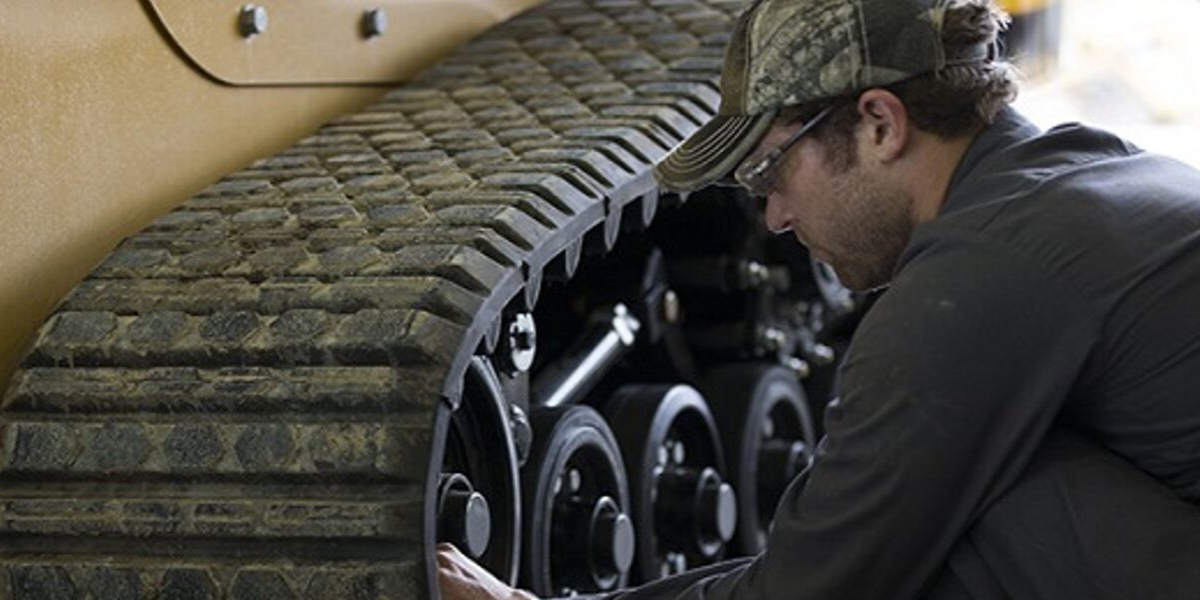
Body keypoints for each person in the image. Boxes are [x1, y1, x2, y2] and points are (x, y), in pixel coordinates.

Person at [440, 0, 1200, 598]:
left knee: (970, 512)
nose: (773, 217)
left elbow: (815, 587)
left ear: (879, 124)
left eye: (772, 173)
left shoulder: (980, 280)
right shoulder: (1088, 171)